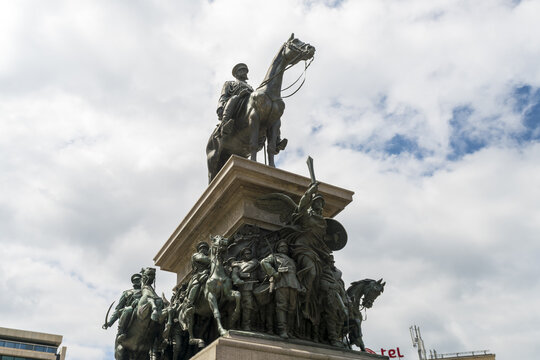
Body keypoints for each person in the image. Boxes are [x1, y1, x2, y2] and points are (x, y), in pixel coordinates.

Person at [288, 181, 332, 335]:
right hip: (302, 248)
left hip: (316, 253)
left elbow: (321, 241)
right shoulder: (305, 216)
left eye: (321, 202)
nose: (319, 204)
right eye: (317, 202)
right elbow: (300, 207)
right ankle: (303, 299)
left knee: (322, 282)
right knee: (311, 273)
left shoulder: (323, 223)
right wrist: (309, 192)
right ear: (312, 204)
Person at [260, 240, 303, 339]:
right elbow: (263, 262)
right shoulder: (274, 257)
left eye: (285, 247)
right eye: (282, 247)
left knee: (292, 308)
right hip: (282, 283)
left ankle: (290, 330)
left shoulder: (292, 260)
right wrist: (274, 273)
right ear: (278, 248)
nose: (284, 248)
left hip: (294, 284)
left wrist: (300, 286)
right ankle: (282, 330)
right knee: (282, 306)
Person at [216, 63, 254, 135]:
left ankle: (275, 140)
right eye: (242, 70)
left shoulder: (251, 87)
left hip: (249, 103)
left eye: (245, 71)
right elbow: (223, 96)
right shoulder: (229, 83)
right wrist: (220, 108)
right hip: (236, 105)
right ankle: (225, 123)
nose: (245, 72)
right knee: (235, 97)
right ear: (236, 74)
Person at [102, 273, 142, 339]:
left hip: (142, 308)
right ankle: (121, 331)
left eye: (139, 279)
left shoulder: (146, 290)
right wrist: (110, 322)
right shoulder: (127, 292)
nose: (137, 281)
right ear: (133, 282)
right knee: (127, 310)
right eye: (135, 280)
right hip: (131, 309)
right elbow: (118, 308)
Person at [231, 247, 259, 331]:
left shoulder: (256, 262)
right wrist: (238, 279)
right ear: (243, 255)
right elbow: (234, 275)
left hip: (257, 285)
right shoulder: (237, 264)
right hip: (245, 287)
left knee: (257, 307)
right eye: (246, 253)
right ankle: (246, 325)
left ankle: (257, 325)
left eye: (250, 253)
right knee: (248, 305)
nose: (248, 255)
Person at [184, 242, 211, 309]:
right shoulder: (196, 255)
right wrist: (213, 260)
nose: (204, 249)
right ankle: (189, 303)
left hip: (209, 272)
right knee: (196, 284)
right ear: (199, 249)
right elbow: (202, 259)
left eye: (205, 248)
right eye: (202, 248)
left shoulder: (210, 257)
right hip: (199, 275)